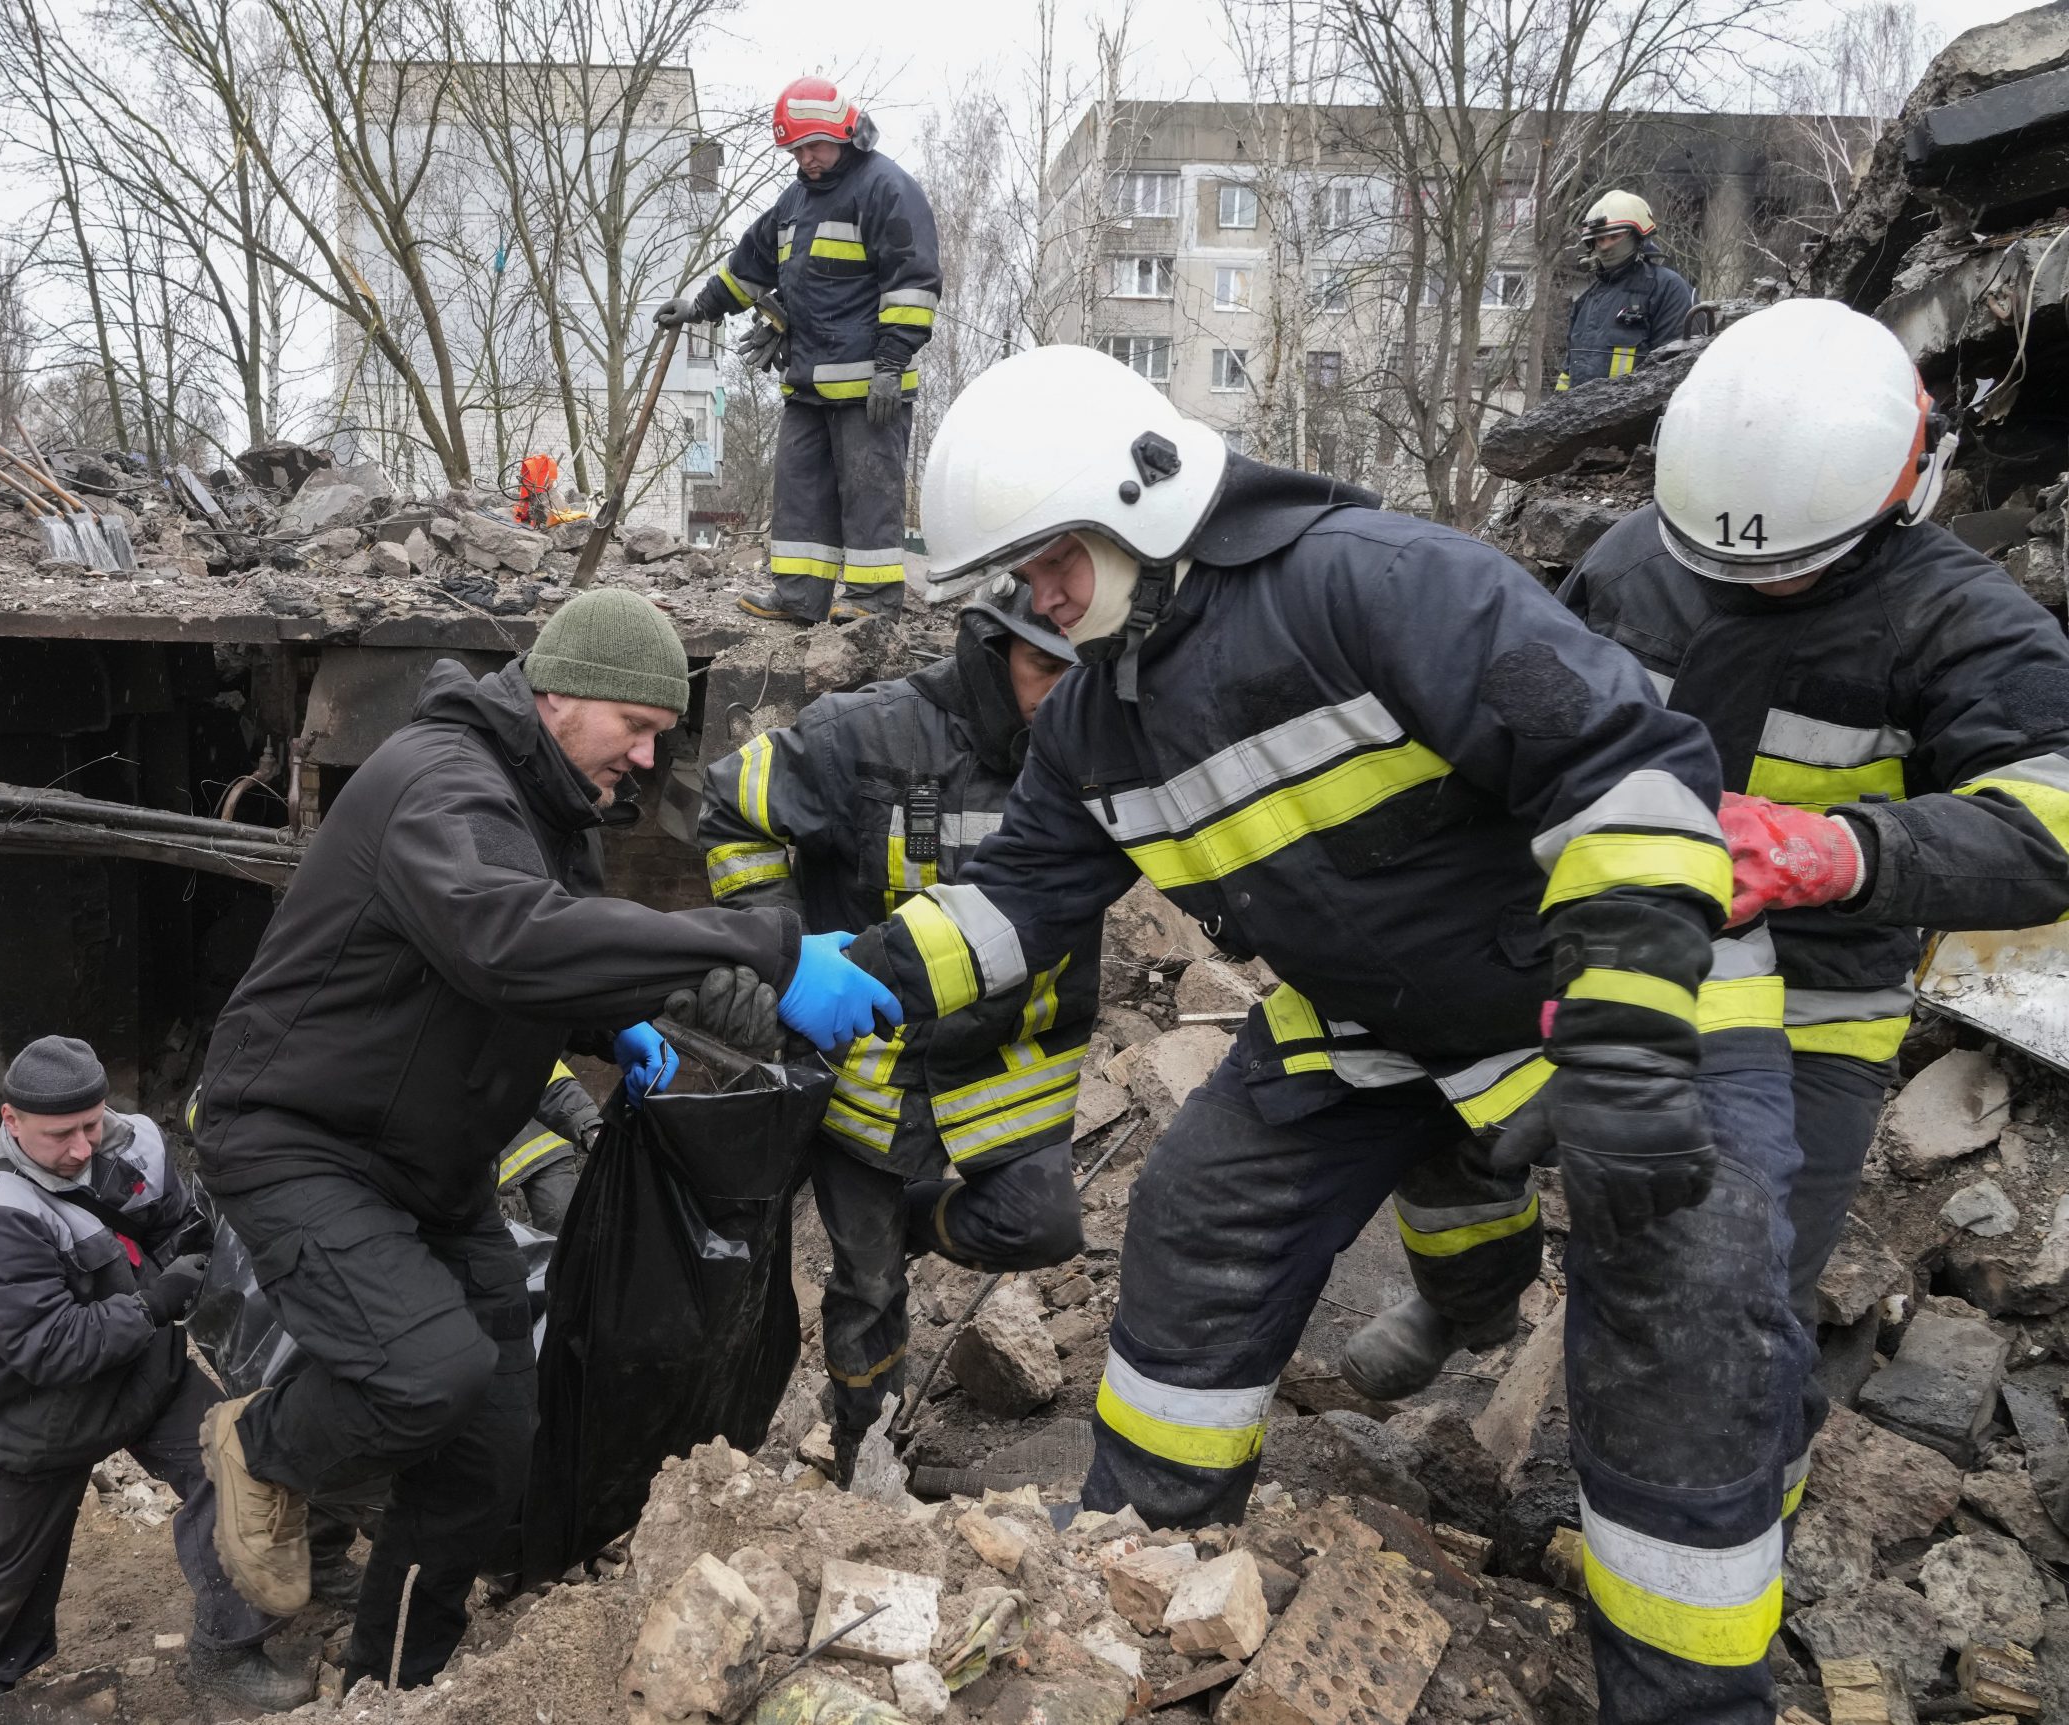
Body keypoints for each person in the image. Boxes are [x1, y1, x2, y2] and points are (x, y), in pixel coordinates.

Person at [834, 343, 1809, 1725]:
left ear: (1146, 498)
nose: (1036, 601)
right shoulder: (1095, 720)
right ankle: (1146, 1556)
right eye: (1018, 578)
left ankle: (1692, 1699)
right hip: (1367, 1013)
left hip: (1628, 988)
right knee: (1200, 1217)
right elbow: (1021, 901)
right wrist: (849, 976)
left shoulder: (1378, 581)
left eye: (1049, 560)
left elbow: (1630, 773)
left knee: (1684, 1307)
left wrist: (1636, 1045)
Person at [1343, 298, 2069, 1502]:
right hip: (1608, 950)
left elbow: (2050, 824)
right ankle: (1460, 1304)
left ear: (1903, 490)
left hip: (1808, 1011)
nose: (1752, 589)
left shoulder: (1965, 625)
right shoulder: (1639, 556)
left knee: (1744, 1290)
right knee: (1454, 1131)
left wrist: (1842, 851)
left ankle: (1737, 1526)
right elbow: (1523, 721)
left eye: (1789, 574)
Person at [186, 588, 893, 1691]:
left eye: (662, 735)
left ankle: (394, 1682)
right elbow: (500, 940)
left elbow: (510, 962)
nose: (652, 760)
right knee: (425, 1373)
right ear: (559, 696)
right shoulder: (442, 785)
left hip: (432, 1159)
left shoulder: (544, 808)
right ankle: (262, 1447)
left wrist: (609, 1018)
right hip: (299, 1138)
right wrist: (768, 946)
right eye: (638, 728)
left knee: (492, 1441)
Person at [697, 584, 1092, 1479]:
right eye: (1043, 666)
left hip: (1001, 1069)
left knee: (1044, 1223)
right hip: (871, 1070)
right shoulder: (863, 733)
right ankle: (863, 1454)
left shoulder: (1090, 750)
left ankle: (910, 1223)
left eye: (1082, 668)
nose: (1065, 694)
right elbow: (732, 808)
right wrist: (787, 953)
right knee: (869, 1284)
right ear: (994, 650)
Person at [0, 1036, 314, 1712]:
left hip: (143, 1377)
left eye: (91, 1122)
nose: (82, 1147)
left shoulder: (133, 1141)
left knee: (232, 1472)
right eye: (60, 1134)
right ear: (10, 1120)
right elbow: (51, 1347)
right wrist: (155, 1300)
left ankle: (228, 1654)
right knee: (16, 1566)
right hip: (32, 1415)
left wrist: (190, 1263)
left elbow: (176, 1224)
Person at [656, 77, 941, 627]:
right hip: (808, 383)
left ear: (844, 133)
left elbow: (913, 283)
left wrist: (890, 364)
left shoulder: (886, 189)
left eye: (814, 146)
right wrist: (699, 308)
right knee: (799, 491)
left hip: (869, 387)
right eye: (796, 150)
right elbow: (748, 268)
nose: (805, 159)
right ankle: (799, 598)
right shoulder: (794, 204)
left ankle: (872, 604)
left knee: (868, 495)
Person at [1560, 191, 1695, 389]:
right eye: (1599, 239)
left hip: (1639, 418)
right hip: (1584, 419)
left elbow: (1676, 371)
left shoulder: (1667, 289)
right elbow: (1568, 374)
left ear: (1637, 237)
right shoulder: (1586, 300)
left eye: (1614, 236)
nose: (1605, 246)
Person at [494, 1060, 605, 1235]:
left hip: (543, 1147)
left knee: (567, 1228)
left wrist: (589, 1125)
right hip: (473, 1179)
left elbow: (544, 1071)